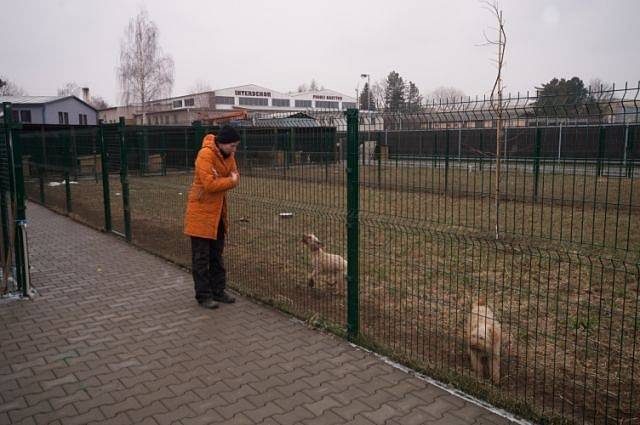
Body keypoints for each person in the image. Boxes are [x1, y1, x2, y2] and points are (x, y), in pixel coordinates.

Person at [184, 125, 241, 309]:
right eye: (232, 146)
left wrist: (225, 180)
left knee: (217, 255)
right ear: (222, 143)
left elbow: (236, 177)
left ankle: (219, 290)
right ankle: (203, 295)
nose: (235, 150)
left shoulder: (229, 156)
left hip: (218, 214)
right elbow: (209, 185)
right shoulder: (205, 155)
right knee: (201, 257)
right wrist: (229, 180)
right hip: (200, 214)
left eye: (236, 146)